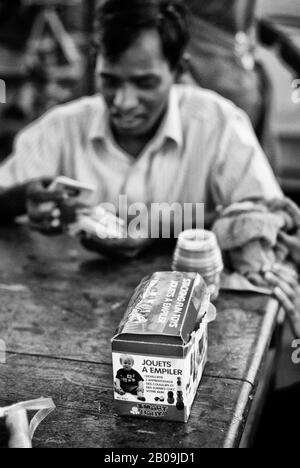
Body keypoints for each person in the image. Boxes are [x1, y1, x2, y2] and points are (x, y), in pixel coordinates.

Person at [0, 0, 299, 324]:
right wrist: (22, 197)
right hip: (69, 320)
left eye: (144, 83)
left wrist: (157, 230)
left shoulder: (219, 124)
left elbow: (270, 219)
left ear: (178, 68)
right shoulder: (60, 128)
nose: (123, 102)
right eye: (110, 80)